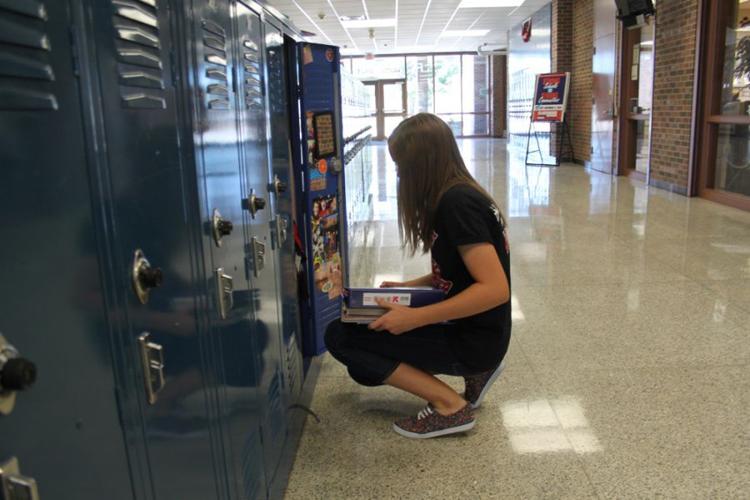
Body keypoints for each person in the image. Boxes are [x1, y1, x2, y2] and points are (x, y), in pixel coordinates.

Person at [324, 113, 511, 439]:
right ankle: (478, 373)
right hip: (476, 331)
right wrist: (406, 287)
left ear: (422, 164)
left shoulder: (457, 204)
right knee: (362, 362)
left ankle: (450, 406)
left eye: (401, 166)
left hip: (473, 338)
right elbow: (459, 271)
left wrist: (416, 318)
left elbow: (495, 289)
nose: (398, 175)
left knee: (340, 337)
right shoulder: (459, 193)